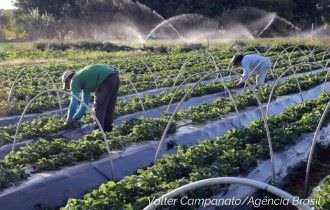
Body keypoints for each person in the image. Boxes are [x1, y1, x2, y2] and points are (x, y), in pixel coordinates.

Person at [62, 64, 120, 132]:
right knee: (109, 106)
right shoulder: (84, 80)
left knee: (98, 107)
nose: (70, 87)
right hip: (115, 77)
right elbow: (84, 105)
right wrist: (76, 118)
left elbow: (73, 104)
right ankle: (108, 130)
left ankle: (99, 132)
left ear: (68, 80)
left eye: (67, 85)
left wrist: (68, 120)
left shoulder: (74, 80)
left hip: (105, 79)